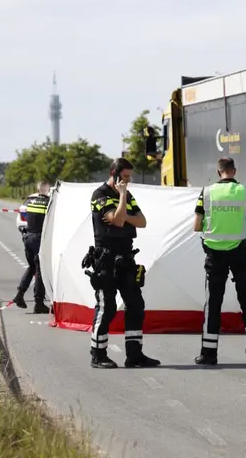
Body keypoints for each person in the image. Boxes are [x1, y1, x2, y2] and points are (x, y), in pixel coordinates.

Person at [83, 158, 160, 369]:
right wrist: (123, 199)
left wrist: (122, 213)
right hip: (105, 259)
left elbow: (142, 221)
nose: (128, 181)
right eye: (125, 177)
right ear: (114, 174)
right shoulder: (99, 195)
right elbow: (116, 221)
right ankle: (98, 355)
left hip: (126, 258)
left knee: (136, 305)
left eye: (129, 177)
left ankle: (134, 355)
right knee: (106, 308)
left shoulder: (128, 196)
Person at [193, 157, 246, 365]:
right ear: (234, 170)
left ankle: (208, 353)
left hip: (214, 254)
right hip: (240, 253)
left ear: (218, 172)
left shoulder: (206, 192)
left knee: (213, 303)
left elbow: (197, 225)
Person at [13, 180, 51, 314]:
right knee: (40, 270)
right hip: (38, 239)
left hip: (27, 237)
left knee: (32, 267)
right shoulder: (49, 203)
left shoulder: (31, 202)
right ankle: (39, 303)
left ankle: (20, 294)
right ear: (48, 189)